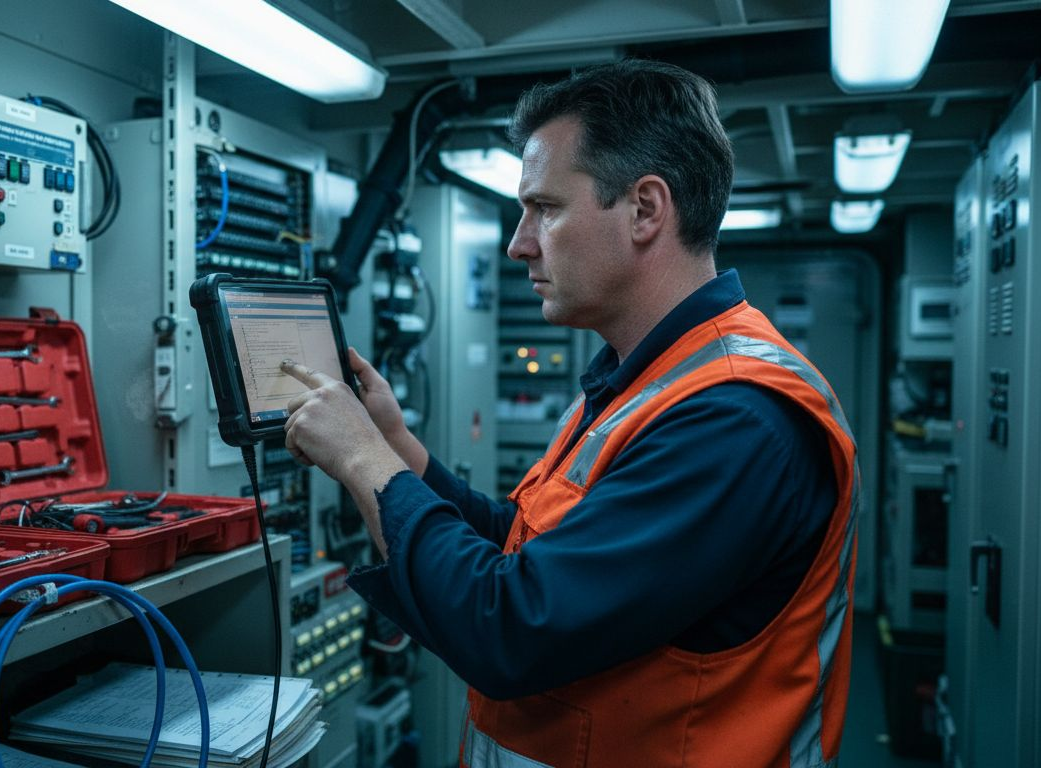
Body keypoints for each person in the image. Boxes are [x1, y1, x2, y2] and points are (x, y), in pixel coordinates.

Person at [281, 59, 858, 768]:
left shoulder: (736, 419)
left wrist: (361, 462)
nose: (518, 242)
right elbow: (526, 555)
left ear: (647, 209)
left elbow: (513, 629)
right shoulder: (644, 379)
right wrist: (394, 447)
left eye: (545, 209)